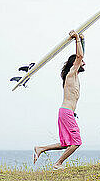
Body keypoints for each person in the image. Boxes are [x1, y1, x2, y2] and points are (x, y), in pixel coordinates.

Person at [33, 30, 85, 170]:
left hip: (66, 112)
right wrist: (76, 39)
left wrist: (82, 40)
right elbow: (79, 56)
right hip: (66, 112)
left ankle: (40, 148)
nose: (84, 63)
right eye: (81, 62)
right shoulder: (71, 74)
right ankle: (58, 164)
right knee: (76, 142)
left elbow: (81, 55)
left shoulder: (75, 75)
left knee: (66, 143)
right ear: (75, 63)